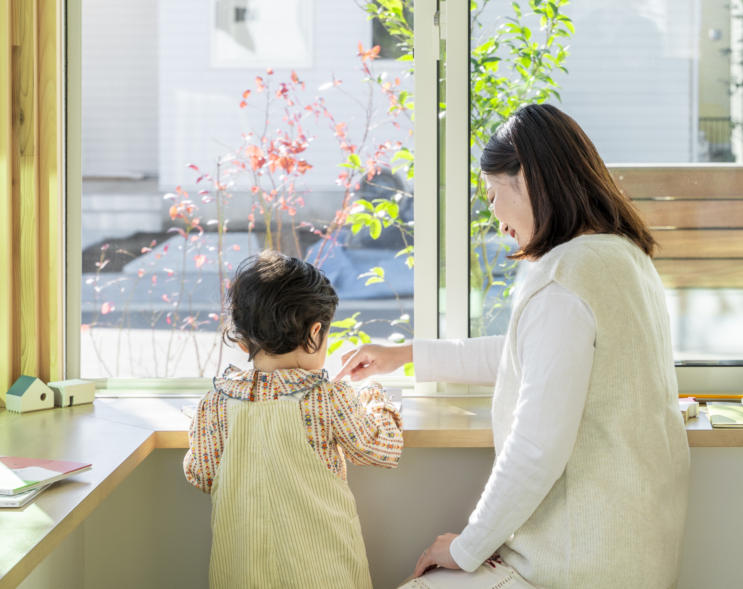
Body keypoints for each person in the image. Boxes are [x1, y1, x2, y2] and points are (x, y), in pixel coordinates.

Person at [336, 104, 690, 589]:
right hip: (633, 553)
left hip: (574, 565)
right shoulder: (621, 257)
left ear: (529, 178)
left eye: (493, 195)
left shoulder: (565, 278)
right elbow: (532, 355)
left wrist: (466, 546)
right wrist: (407, 355)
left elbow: (536, 447)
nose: (495, 216)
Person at [184, 250, 404, 589]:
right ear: (315, 333)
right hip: (322, 572)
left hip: (241, 572)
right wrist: (375, 397)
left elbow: (201, 474)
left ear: (243, 342)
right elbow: (381, 449)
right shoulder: (326, 399)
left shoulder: (215, 404)